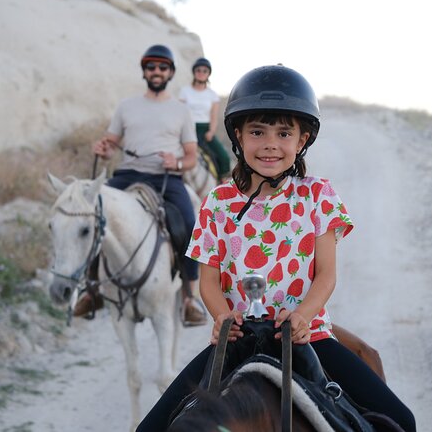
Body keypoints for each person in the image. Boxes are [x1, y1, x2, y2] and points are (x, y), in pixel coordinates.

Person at [136, 65, 415, 431]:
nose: (270, 143)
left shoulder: (318, 195)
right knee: (151, 428)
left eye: (284, 133)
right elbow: (209, 280)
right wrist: (222, 316)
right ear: (238, 135)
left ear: (301, 141)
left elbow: (326, 274)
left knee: (401, 420)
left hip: (306, 334)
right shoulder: (218, 202)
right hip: (237, 340)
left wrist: (302, 317)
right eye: (257, 131)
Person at [86, 44, 207, 326]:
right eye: (151, 67)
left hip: (166, 177)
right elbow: (111, 143)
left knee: (190, 224)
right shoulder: (126, 106)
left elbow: (191, 157)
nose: (156, 72)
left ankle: (189, 296)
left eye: (162, 67)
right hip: (128, 172)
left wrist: (175, 163)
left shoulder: (180, 110)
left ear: (171, 72)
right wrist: (103, 150)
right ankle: (92, 288)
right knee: (92, 214)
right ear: (144, 71)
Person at [178, 57, 231, 181]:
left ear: (208, 74)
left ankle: (222, 185)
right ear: (194, 72)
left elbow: (213, 116)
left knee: (224, 157)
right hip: (188, 130)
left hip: (205, 130)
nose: (201, 72)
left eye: (204, 71)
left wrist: (211, 132)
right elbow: (180, 113)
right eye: (198, 70)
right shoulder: (185, 91)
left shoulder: (212, 95)